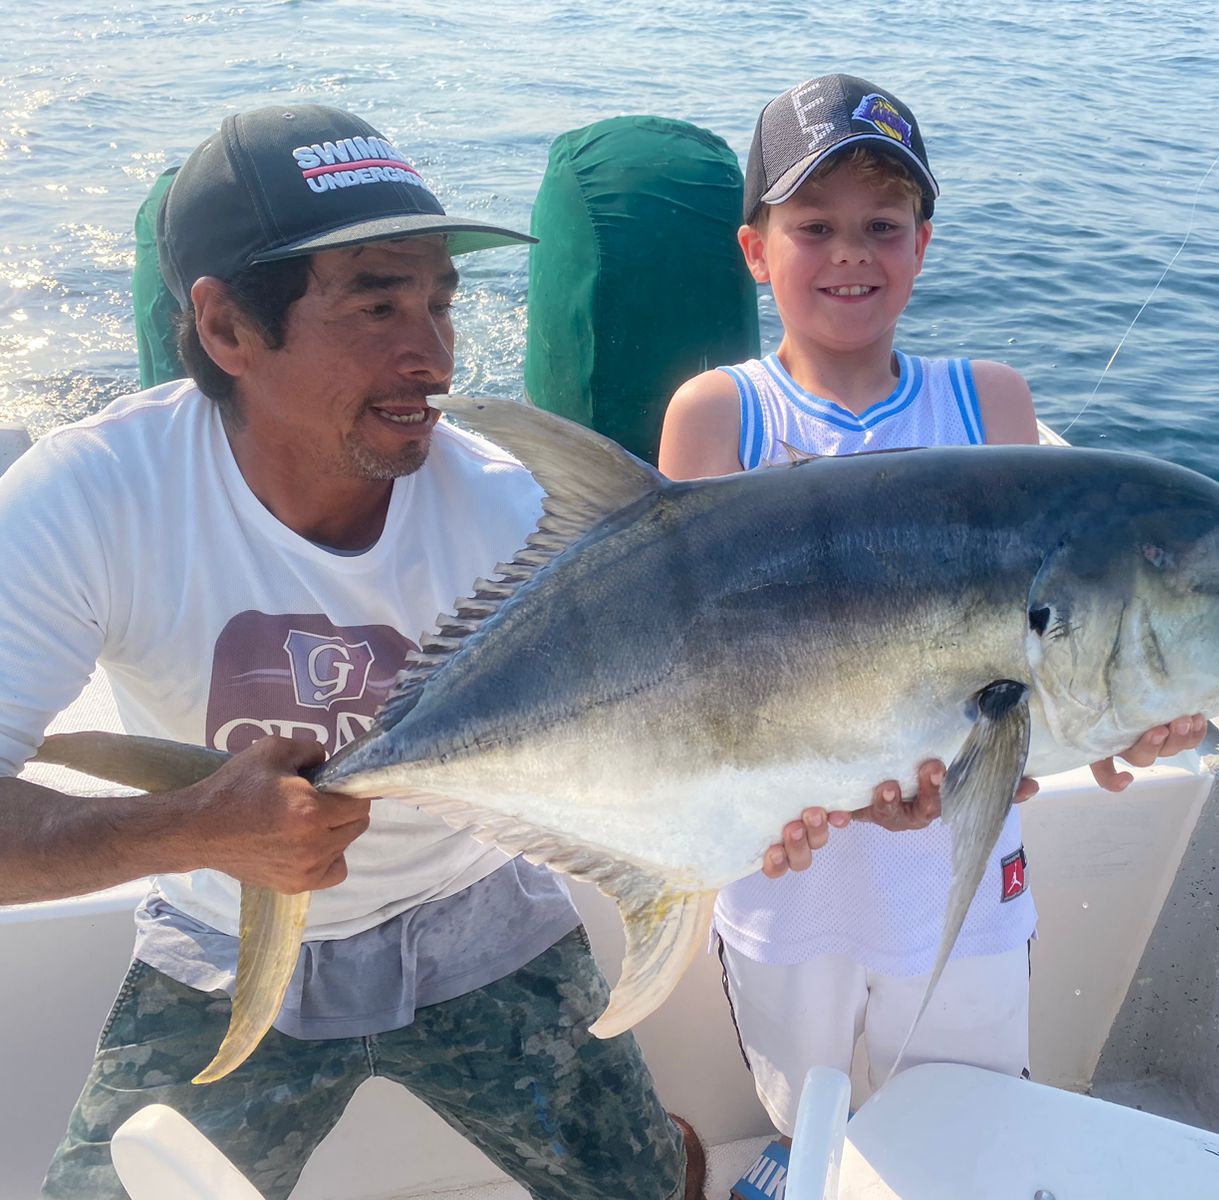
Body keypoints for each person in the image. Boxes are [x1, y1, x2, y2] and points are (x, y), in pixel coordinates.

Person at [0, 101, 847, 1200]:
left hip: (476, 914)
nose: (434, 354)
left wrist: (804, 786)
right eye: (378, 303)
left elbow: (691, 707)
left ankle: (668, 1148)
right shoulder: (91, 498)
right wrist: (193, 829)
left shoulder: (513, 511)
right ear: (226, 331)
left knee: (639, 1185)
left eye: (443, 301)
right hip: (214, 933)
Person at [658, 74, 1207, 1198]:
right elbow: (674, 665)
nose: (849, 254)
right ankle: (801, 1163)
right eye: (813, 227)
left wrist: (1128, 721)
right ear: (754, 250)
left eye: (882, 226)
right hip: (782, 863)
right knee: (798, 1094)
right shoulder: (719, 413)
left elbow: (1055, 640)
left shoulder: (990, 403)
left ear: (922, 244)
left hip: (963, 870)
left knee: (965, 1110)